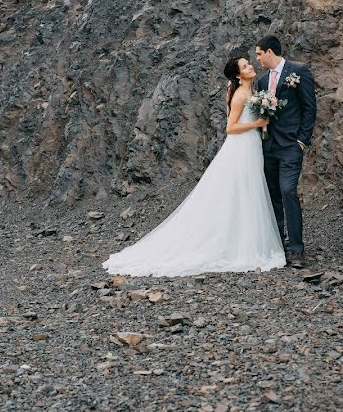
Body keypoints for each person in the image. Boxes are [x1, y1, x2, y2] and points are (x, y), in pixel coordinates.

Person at [102, 56, 286, 276]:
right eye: (245, 66)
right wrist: (258, 123)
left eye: (248, 63)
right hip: (241, 147)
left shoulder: (251, 92)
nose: (250, 67)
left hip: (251, 145)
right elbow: (230, 127)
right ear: (238, 75)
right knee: (243, 189)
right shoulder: (240, 95)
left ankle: (246, 239)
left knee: (248, 190)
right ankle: (240, 245)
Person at [255, 35, 316, 269]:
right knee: (273, 197)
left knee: (288, 191)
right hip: (269, 147)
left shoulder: (298, 71)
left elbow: (310, 108)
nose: (257, 58)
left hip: (291, 145)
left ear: (270, 52)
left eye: (259, 54)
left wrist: (302, 140)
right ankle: (278, 247)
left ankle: (297, 251)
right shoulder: (261, 82)